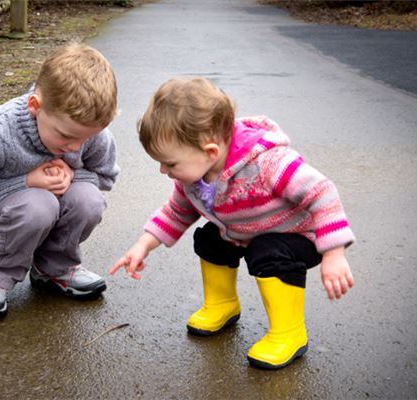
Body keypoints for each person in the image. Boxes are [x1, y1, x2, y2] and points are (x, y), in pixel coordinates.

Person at [110, 78, 355, 369]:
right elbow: (176, 212)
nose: (163, 170)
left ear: (210, 151)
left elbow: (321, 192)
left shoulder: (269, 163)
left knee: (266, 251)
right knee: (210, 237)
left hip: (299, 236)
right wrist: (142, 246)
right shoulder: (194, 177)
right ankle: (222, 304)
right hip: (244, 232)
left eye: (170, 163)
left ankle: (289, 332)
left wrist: (334, 253)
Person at [0, 43, 119, 319]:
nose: (75, 147)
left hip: (40, 215)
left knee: (88, 198)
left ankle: (54, 267)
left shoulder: (87, 130)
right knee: (38, 203)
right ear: (35, 106)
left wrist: (73, 175)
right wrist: (26, 181)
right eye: (66, 136)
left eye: (84, 139)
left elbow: (106, 175)